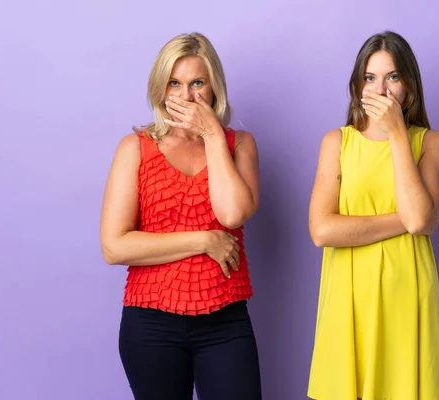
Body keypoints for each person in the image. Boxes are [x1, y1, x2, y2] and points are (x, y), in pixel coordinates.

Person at [99, 32, 262, 400]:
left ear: (214, 88)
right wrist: (204, 240)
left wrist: (212, 136)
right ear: (161, 90)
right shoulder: (135, 149)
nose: (187, 96)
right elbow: (114, 247)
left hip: (225, 320)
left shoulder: (240, 145)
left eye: (197, 83)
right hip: (151, 324)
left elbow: (233, 214)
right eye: (175, 83)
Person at [307, 31, 439, 400]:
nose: (381, 89)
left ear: (409, 88)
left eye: (393, 77)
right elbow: (322, 230)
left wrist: (397, 135)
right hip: (348, 299)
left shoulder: (430, 143)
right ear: (358, 86)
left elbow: (421, 219)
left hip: (407, 297)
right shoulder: (336, 143)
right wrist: (402, 222)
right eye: (370, 77)